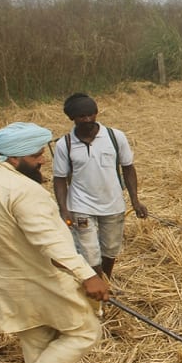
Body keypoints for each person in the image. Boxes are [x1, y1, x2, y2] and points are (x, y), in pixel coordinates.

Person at [0, 122, 110, 363]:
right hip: (38, 279)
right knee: (85, 331)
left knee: (37, 340)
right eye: (35, 155)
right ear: (15, 158)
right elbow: (50, 239)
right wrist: (88, 275)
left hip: (1, 280)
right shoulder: (23, 190)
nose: (42, 160)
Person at [52, 93, 147, 278]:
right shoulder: (65, 144)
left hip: (113, 204)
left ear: (96, 113)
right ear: (72, 118)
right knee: (89, 252)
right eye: (81, 116)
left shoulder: (115, 137)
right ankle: (100, 288)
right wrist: (63, 209)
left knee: (110, 249)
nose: (87, 120)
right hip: (81, 206)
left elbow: (128, 168)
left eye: (91, 114)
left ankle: (105, 281)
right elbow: (59, 179)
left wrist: (136, 201)